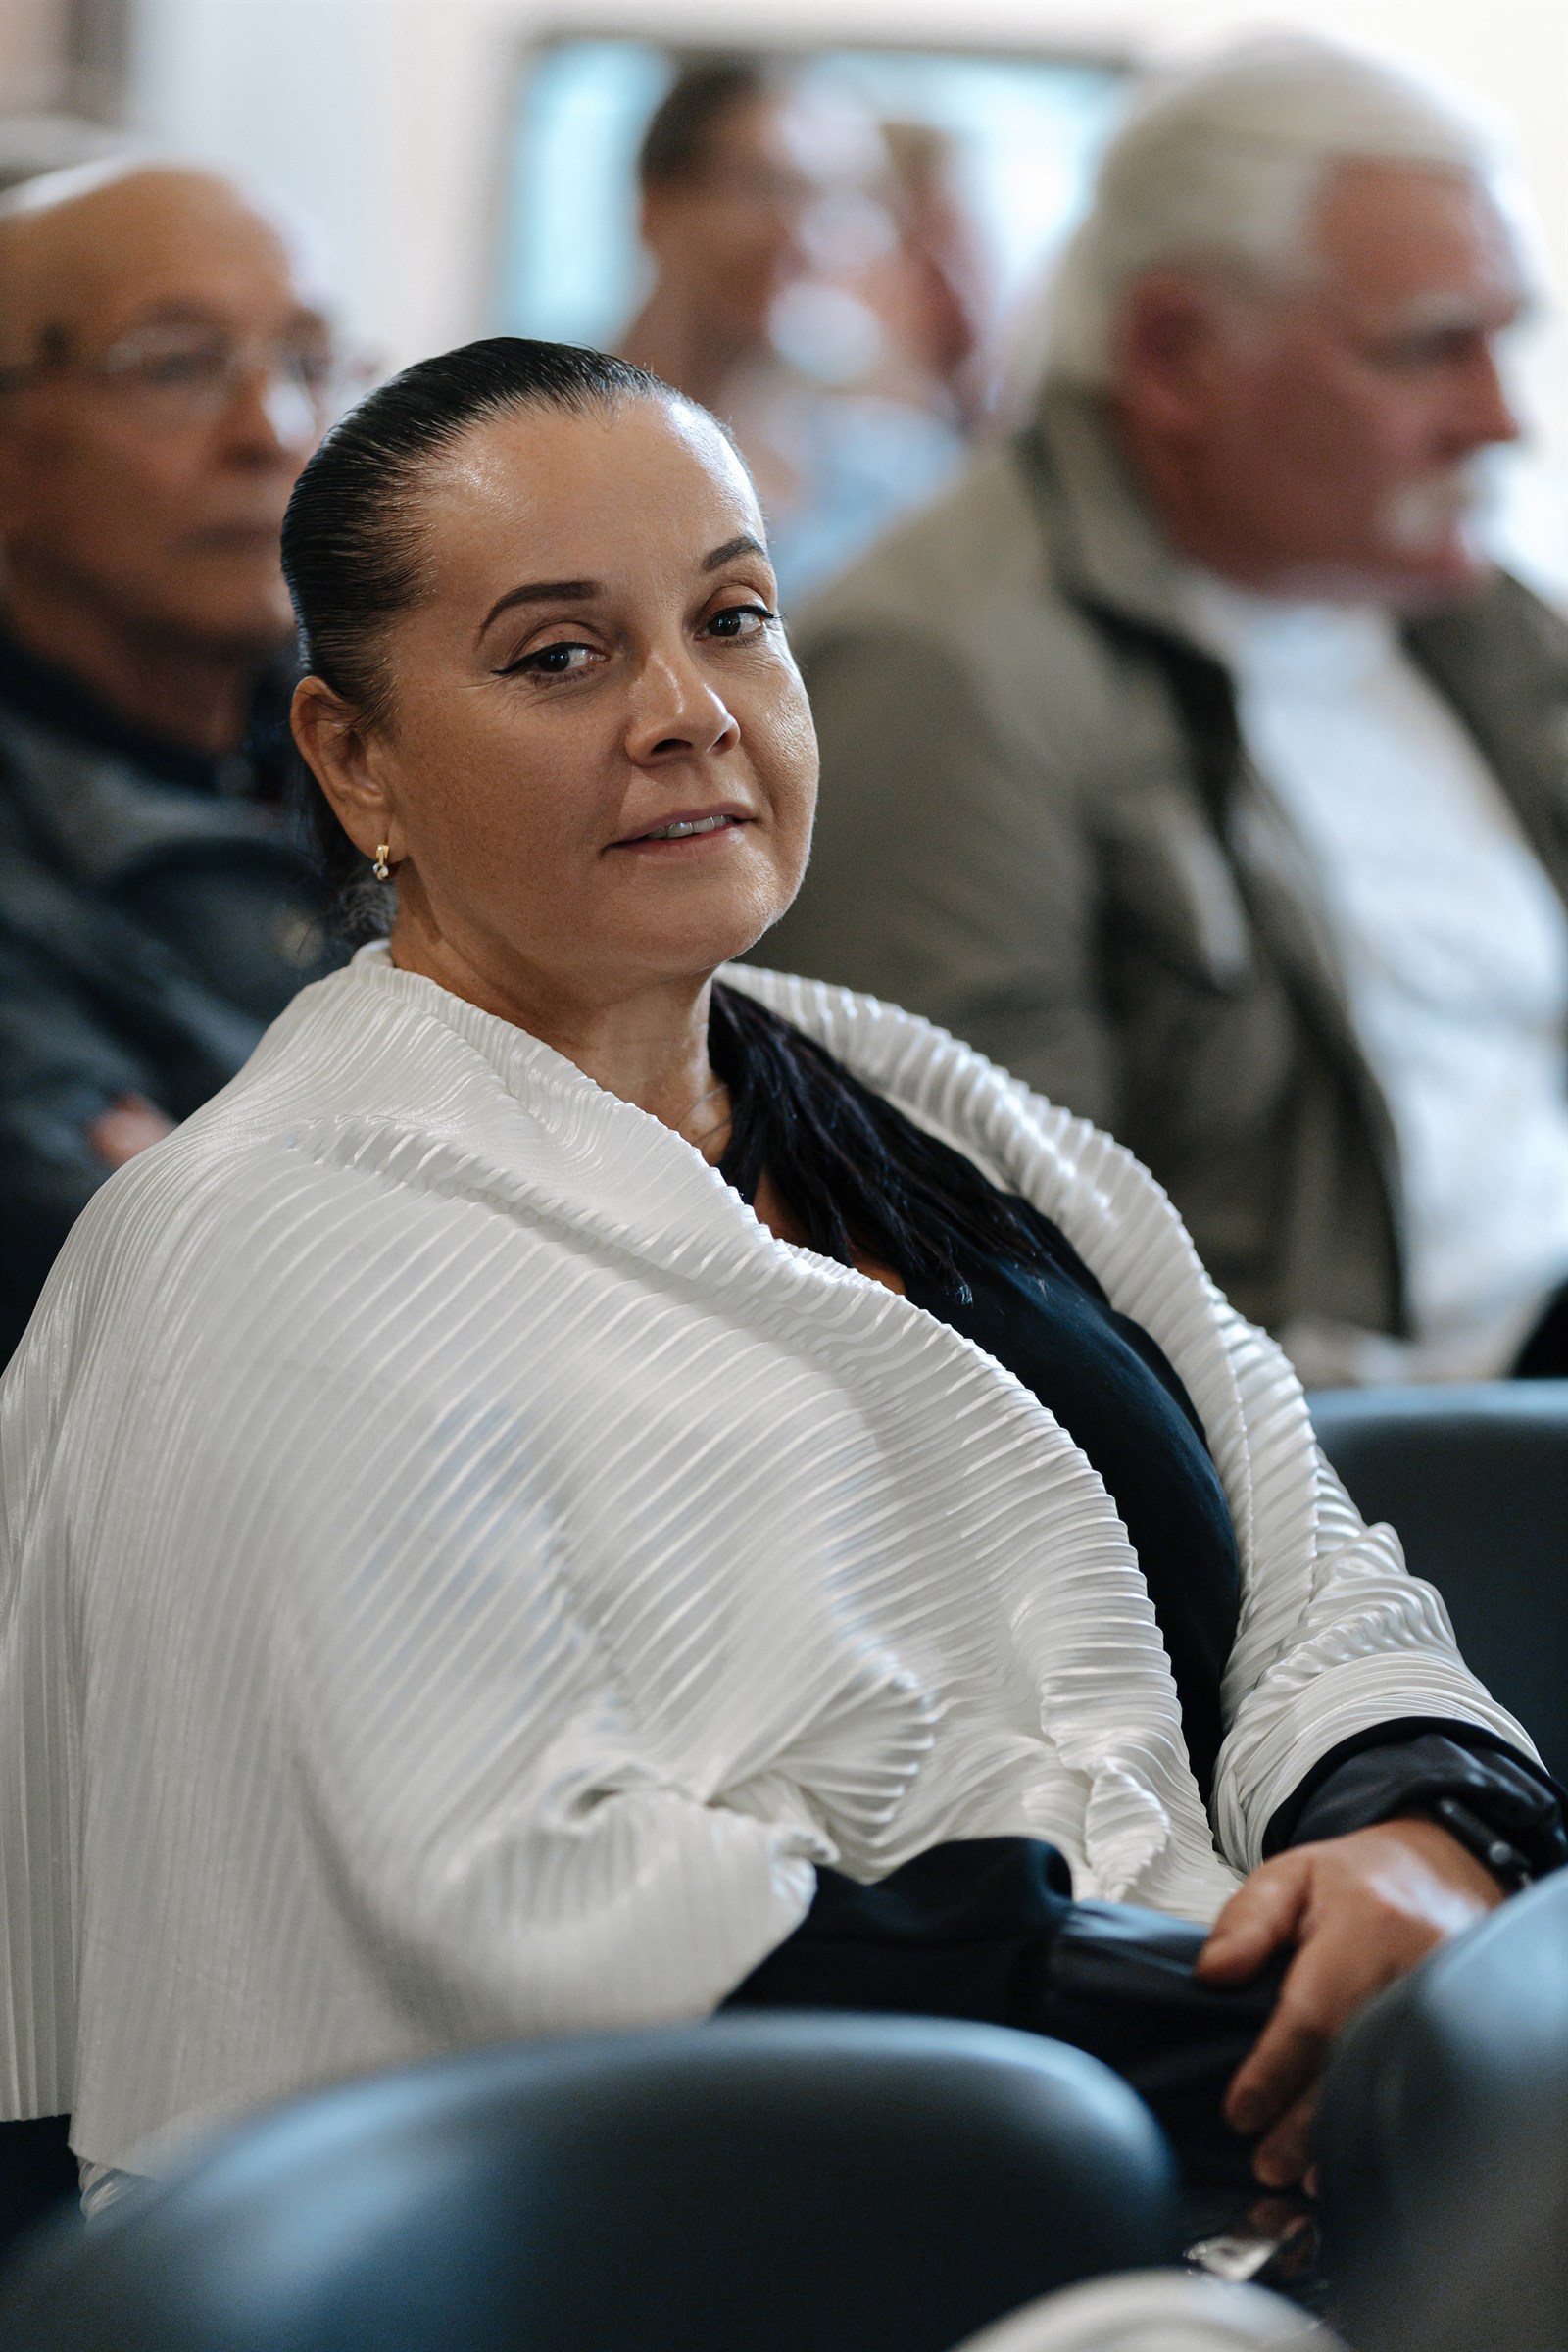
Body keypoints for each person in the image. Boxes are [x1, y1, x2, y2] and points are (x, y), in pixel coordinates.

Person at [0, 340, 1559, 2226]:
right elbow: (510, 1915)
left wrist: (1415, 1829)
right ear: (354, 758)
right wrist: (1288, 2030)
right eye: (559, 656)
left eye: (733, 619)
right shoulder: (260, 1256)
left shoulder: (913, 1099)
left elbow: (1307, 1559)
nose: (688, 714)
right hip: (793, 2236)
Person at [761, 38, 1568, 1388]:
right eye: (1430, 348)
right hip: (1349, 1461)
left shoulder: (1474, 625)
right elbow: (993, 1311)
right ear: (1174, 353)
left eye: (1506, 338)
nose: (1499, 420)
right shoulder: (938, 676)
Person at [0, 159, 357, 1364]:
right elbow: (222, 1310)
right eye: (175, 364)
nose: (275, 431)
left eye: (309, 359)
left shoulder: (420, 727)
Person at [620, 58, 964, 606]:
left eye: (841, 198)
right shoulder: (531, 431)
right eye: (766, 188)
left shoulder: (898, 479)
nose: (802, 232)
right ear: (656, 204)